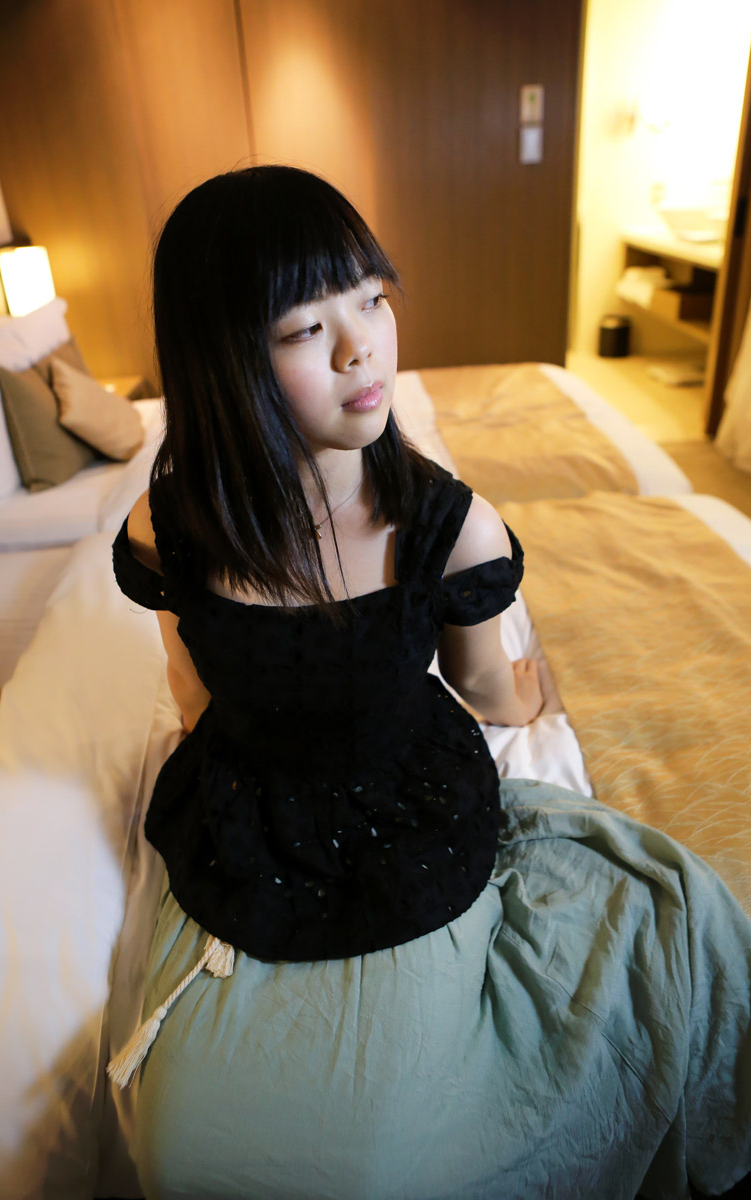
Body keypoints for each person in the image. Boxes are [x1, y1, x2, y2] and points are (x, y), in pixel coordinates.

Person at [111, 165, 750, 1199]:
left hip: (405, 822)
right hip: (245, 820)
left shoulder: (449, 527)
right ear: (220, 359)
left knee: (378, 1151)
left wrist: (529, 693)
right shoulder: (166, 526)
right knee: (183, 1147)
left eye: (371, 298)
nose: (363, 347)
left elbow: (473, 689)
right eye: (305, 328)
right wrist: (512, 689)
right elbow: (197, 697)